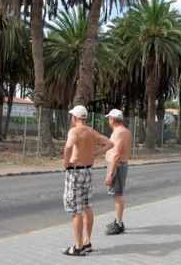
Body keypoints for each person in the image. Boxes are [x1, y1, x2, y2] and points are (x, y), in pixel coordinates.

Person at [62, 105, 114, 256]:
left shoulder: (74, 131)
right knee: (87, 206)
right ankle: (87, 242)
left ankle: (78, 247)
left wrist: (66, 162)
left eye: (72, 116)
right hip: (88, 171)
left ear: (76, 118)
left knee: (76, 210)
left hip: (75, 172)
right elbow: (110, 143)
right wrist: (96, 152)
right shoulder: (92, 132)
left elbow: (68, 146)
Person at [104, 109, 131, 235]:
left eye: (109, 118)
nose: (108, 120)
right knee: (117, 194)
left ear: (113, 119)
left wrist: (111, 174)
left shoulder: (119, 133)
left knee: (117, 195)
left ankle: (119, 224)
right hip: (119, 165)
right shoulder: (124, 131)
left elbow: (117, 154)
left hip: (117, 166)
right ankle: (118, 221)